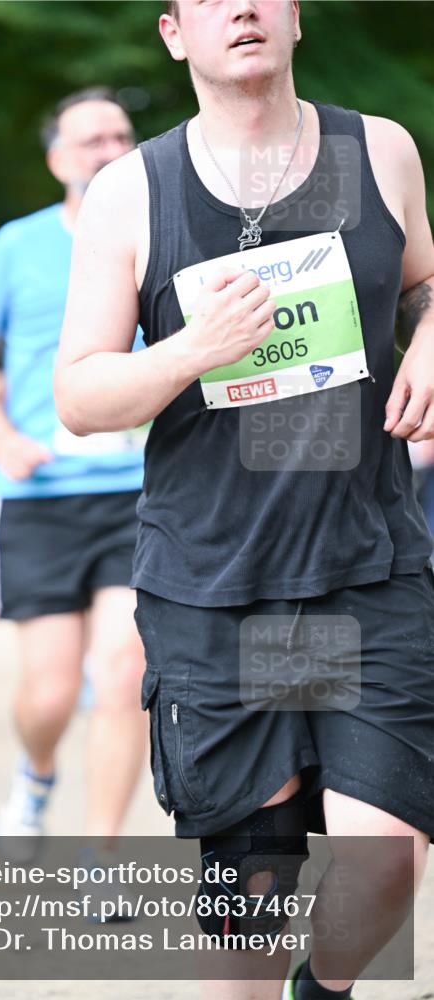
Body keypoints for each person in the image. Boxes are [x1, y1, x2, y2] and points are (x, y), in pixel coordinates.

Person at [54, 2, 434, 998]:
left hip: (366, 565)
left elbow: (424, 283)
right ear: (174, 33)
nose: (243, 8)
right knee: (249, 905)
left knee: (387, 857)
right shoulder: (132, 191)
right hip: (213, 582)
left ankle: (324, 987)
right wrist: (190, 350)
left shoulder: (378, 151)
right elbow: (81, 396)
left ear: (296, 18)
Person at [0, 89, 147, 849]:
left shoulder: (165, 234)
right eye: (91, 140)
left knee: (123, 672)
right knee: (52, 693)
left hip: (140, 492)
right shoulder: (17, 245)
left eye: (121, 135)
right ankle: (35, 772)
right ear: (58, 160)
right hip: (39, 493)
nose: (110, 150)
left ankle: (102, 854)